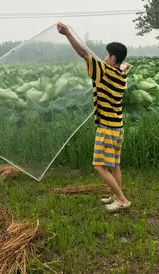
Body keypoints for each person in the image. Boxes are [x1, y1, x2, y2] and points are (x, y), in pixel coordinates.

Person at [57, 22, 131, 212]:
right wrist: (124, 68)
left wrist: (67, 34)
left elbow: (83, 53)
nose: (104, 58)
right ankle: (116, 195)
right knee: (115, 165)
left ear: (113, 58)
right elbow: (122, 69)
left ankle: (122, 200)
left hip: (106, 127)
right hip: (118, 127)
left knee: (99, 166)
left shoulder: (105, 71)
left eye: (106, 55)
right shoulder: (120, 76)